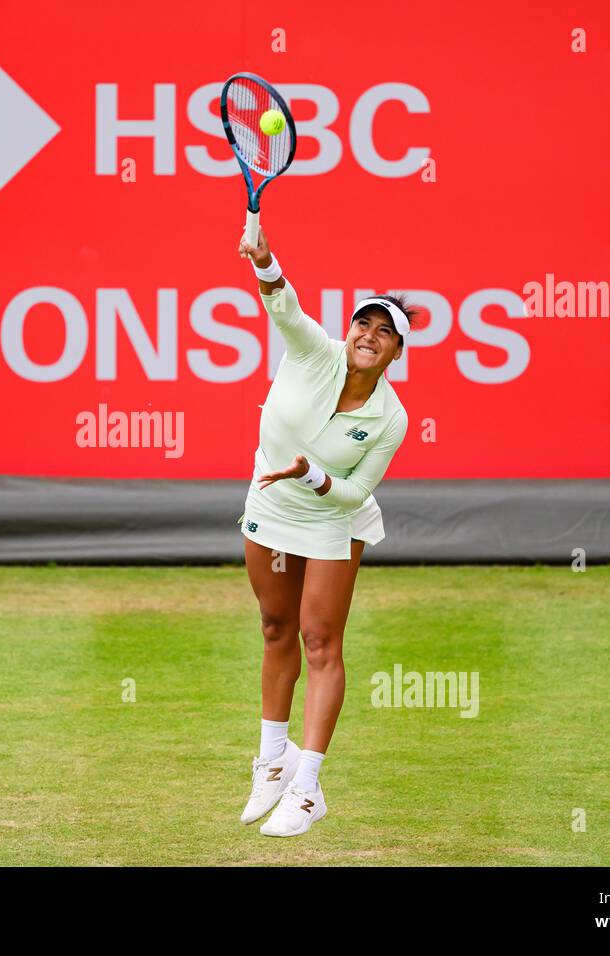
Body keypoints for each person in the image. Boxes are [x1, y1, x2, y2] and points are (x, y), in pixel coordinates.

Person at [235, 225, 413, 837]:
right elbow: (283, 302)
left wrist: (312, 475)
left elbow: (358, 492)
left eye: (384, 332)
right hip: (271, 504)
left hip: (336, 520)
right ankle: (272, 760)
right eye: (364, 324)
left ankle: (308, 787)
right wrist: (265, 261)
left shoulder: (392, 417)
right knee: (274, 626)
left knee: (318, 640)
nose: (368, 335)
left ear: (396, 354)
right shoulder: (314, 351)